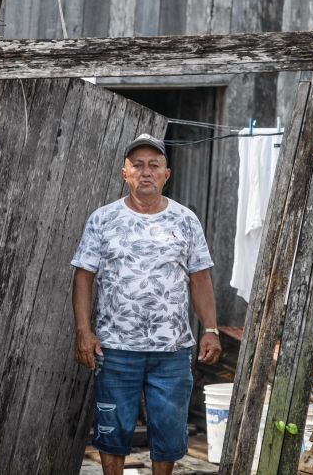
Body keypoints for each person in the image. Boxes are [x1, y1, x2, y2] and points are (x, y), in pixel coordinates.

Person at [71, 133, 222, 475]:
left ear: (167, 174)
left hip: (171, 350)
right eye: (137, 165)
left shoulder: (185, 220)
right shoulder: (103, 219)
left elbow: (200, 279)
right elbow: (83, 277)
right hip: (115, 348)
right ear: (125, 173)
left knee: (168, 433)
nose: (146, 172)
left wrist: (210, 329)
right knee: (113, 431)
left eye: (154, 165)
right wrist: (84, 330)